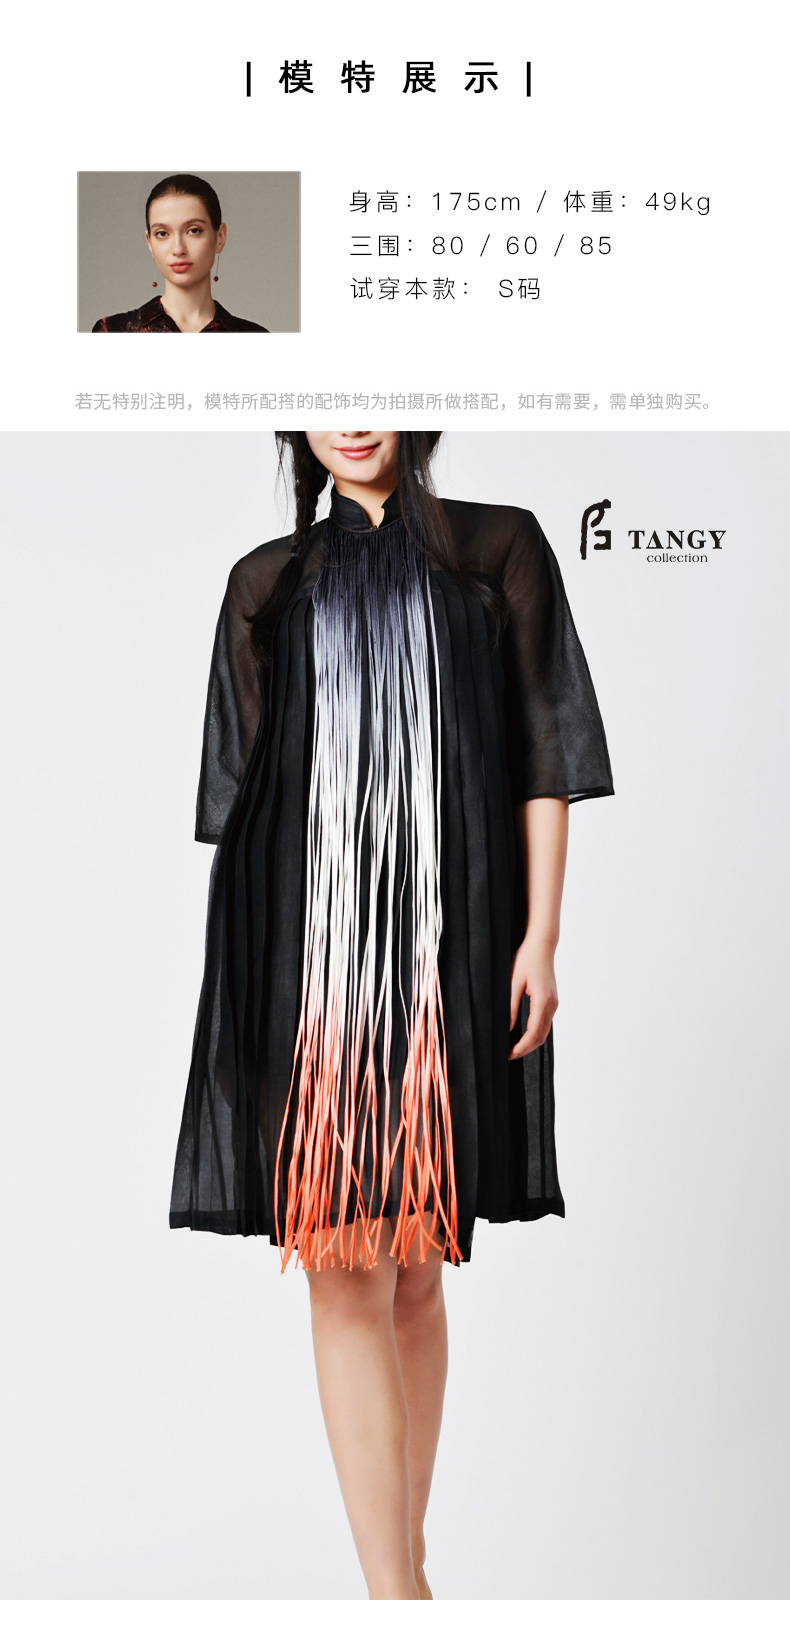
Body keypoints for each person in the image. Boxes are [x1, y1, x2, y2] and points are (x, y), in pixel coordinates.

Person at [168, 430, 615, 1599]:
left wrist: (541, 934)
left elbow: (542, 747)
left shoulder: (496, 550)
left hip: (446, 947)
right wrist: (256, 986)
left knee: (415, 1262)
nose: (354, 418)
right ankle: (396, 1592)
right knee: (341, 1263)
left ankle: (403, 1563)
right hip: (305, 965)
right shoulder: (268, 584)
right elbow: (248, 803)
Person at [92, 173, 269, 332]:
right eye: (162, 233)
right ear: (149, 243)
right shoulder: (112, 331)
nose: (178, 249)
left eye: (193, 230)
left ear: (220, 237)